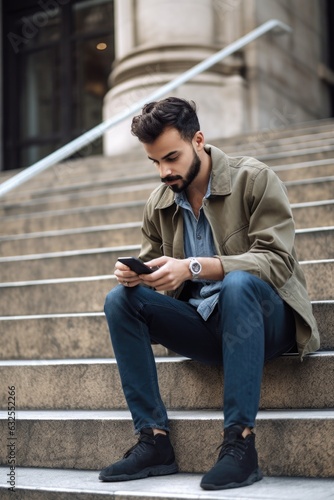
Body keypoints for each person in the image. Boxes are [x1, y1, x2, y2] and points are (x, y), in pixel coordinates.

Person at [100, 97, 320, 490]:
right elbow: (154, 269)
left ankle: (240, 444)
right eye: (155, 162)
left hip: (265, 320)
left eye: (171, 157)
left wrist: (194, 266)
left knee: (237, 284)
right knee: (119, 300)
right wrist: (139, 277)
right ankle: (154, 441)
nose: (164, 171)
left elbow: (277, 262)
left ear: (198, 140)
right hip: (208, 327)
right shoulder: (160, 203)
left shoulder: (252, 178)